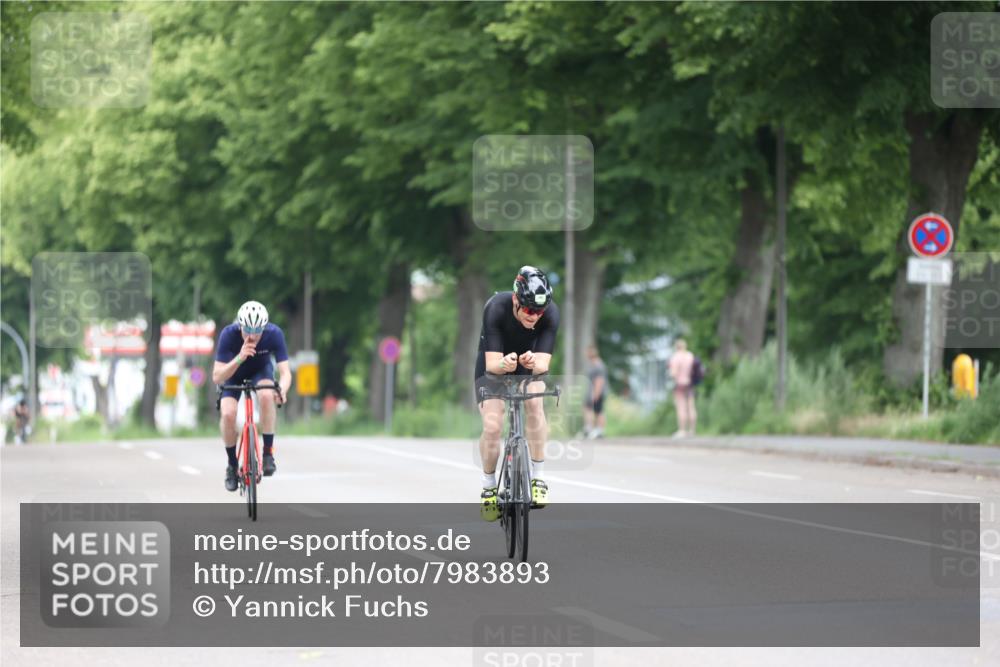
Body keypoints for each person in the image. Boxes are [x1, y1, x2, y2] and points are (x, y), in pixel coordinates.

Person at [476, 266, 560, 522]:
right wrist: (503, 366)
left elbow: (544, 365)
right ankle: (489, 488)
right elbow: (491, 364)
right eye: (529, 310)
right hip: (495, 364)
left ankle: (538, 478)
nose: (534, 316)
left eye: (539, 311)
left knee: (535, 402)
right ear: (515, 300)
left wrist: (533, 362)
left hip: (529, 363)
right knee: (493, 425)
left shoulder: (551, 313)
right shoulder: (496, 307)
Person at [212, 301, 292, 492]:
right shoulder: (228, 335)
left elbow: (285, 372)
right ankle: (232, 465)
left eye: (258, 330)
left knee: (266, 394)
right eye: (247, 329)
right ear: (240, 325)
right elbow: (217, 376)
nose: (253, 335)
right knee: (228, 414)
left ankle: (267, 454)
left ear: (265, 326)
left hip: (261, 371)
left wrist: (282, 389)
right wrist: (239, 357)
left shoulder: (274, 334)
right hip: (234, 372)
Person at [668, 338, 697, 437]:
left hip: (680, 384)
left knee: (681, 407)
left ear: (676, 347)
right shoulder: (690, 356)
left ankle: (682, 430)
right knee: (691, 407)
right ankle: (692, 430)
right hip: (689, 384)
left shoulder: (676, 357)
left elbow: (673, 373)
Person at [583, 345, 607, 439]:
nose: (586, 354)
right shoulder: (592, 364)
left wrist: (596, 394)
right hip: (592, 392)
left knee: (598, 411)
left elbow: (599, 381)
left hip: (597, 392)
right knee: (588, 409)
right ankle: (589, 428)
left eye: (588, 352)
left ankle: (600, 430)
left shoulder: (598, 365)